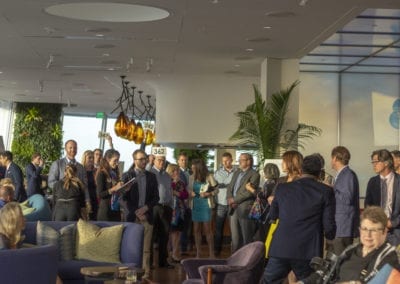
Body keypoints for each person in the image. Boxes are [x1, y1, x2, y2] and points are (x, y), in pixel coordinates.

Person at [262, 154, 336, 284]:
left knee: (269, 281)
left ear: (301, 170)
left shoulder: (282, 188)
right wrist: (331, 238)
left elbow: (273, 215)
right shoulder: (325, 191)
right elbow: (329, 225)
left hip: (281, 246)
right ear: (320, 173)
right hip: (307, 250)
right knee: (308, 282)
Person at [294, 206, 399, 284]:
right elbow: (327, 271)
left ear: (384, 232)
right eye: (365, 229)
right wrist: (304, 282)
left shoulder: (389, 257)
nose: (368, 234)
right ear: (359, 230)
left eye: (374, 230)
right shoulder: (351, 250)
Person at [121, 149, 159, 279]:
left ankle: (145, 275)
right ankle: (131, 275)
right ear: (134, 160)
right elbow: (122, 198)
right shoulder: (127, 176)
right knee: (131, 248)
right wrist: (136, 212)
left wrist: (145, 209)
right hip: (132, 217)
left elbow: (156, 198)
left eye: (145, 158)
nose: (144, 161)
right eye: (141, 159)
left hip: (147, 217)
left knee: (146, 249)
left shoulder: (152, 176)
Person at [365, 149, 400, 246]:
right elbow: (368, 206)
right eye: (372, 162)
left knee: (394, 261)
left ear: (386, 163)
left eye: (376, 161)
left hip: (396, 233)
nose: (374, 165)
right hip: (376, 232)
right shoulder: (372, 182)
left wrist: (392, 223)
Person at [227, 153, 260, 252]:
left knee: (246, 237)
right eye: (239, 159)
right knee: (235, 238)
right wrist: (230, 198)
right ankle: (234, 260)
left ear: (249, 161)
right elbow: (230, 187)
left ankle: (246, 262)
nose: (239, 161)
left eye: (242, 159)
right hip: (233, 208)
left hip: (244, 208)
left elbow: (249, 192)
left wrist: (235, 200)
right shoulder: (237, 172)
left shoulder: (255, 174)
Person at [329, 146, 360, 255]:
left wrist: (330, 189)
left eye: (331, 158)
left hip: (343, 228)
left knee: (341, 262)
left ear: (335, 158)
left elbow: (347, 199)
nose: (330, 161)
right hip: (338, 227)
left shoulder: (347, 175)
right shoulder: (341, 175)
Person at [188, 158, 218, 258]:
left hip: (206, 205)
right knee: (196, 230)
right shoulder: (191, 177)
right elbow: (189, 190)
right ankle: (198, 253)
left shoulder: (209, 177)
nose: (192, 169)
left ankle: (211, 253)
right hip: (195, 205)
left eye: (194, 168)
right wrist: (190, 193)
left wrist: (209, 193)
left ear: (199, 168)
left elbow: (216, 190)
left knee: (207, 230)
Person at [150, 151, 175, 269]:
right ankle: (149, 263)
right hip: (154, 207)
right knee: (152, 235)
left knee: (164, 236)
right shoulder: (150, 173)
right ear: (154, 160)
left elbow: (169, 191)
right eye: (159, 160)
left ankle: (162, 262)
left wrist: (172, 206)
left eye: (163, 160)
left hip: (166, 207)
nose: (161, 162)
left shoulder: (166, 175)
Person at [247, 163, 280, 242]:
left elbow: (262, 195)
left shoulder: (269, 182)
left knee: (263, 236)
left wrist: (250, 189)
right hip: (272, 212)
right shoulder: (279, 181)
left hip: (265, 213)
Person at [213, 152, 236, 256]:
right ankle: (217, 250)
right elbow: (216, 186)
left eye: (227, 160)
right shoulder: (217, 173)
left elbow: (227, 185)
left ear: (231, 159)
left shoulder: (237, 172)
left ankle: (234, 251)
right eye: (223, 161)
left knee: (234, 229)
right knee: (218, 229)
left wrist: (224, 184)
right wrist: (229, 184)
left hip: (233, 204)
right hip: (221, 204)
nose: (225, 163)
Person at [165, 163, 188, 262]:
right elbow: (168, 192)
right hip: (171, 210)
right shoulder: (168, 182)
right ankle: (169, 254)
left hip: (181, 210)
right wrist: (176, 189)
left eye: (177, 171)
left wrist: (177, 193)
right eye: (173, 171)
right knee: (171, 233)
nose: (176, 173)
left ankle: (175, 253)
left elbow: (185, 195)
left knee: (178, 232)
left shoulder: (181, 182)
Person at [96, 149, 123, 222]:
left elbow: (117, 191)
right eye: (115, 160)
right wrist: (114, 189)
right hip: (106, 210)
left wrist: (124, 188)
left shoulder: (114, 173)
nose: (117, 163)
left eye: (118, 161)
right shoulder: (102, 173)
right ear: (108, 159)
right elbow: (100, 194)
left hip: (115, 209)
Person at [81, 150, 98, 220]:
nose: (91, 160)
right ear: (85, 158)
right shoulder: (80, 170)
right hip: (83, 199)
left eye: (93, 158)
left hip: (94, 199)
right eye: (89, 157)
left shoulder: (96, 171)